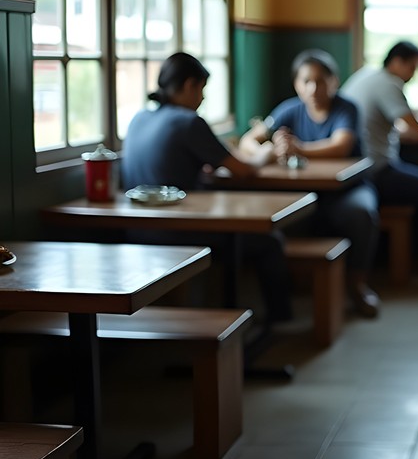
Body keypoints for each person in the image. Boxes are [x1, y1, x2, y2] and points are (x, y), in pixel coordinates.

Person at [120, 52, 294, 326]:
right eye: (201, 90)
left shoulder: (138, 118)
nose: (202, 99)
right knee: (270, 241)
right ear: (190, 85)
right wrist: (268, 152)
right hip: (177, 234)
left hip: (134, 229)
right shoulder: (189, 122)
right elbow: (244, 170)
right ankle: (276, 324)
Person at [240, 49, 382, 319]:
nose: (313, 88)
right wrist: (272, 148)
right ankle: (289, 288)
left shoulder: (346, 108)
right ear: (297, 84)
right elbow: (249, 140)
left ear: (334, 81)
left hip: (348, 189)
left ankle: (357, 285)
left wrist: (299, 148)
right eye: (306, 81)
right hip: (303, 192)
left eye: (321, 80)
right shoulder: (288, 109)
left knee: (361, 214)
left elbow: (341, 146)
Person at [341, 41, 418, 267]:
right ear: (397, 62)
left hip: (356, 169)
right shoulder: (388, 84)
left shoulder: (365, 75)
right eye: (412, 67)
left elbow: (398, 129)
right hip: (376, 170)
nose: (413, 75)